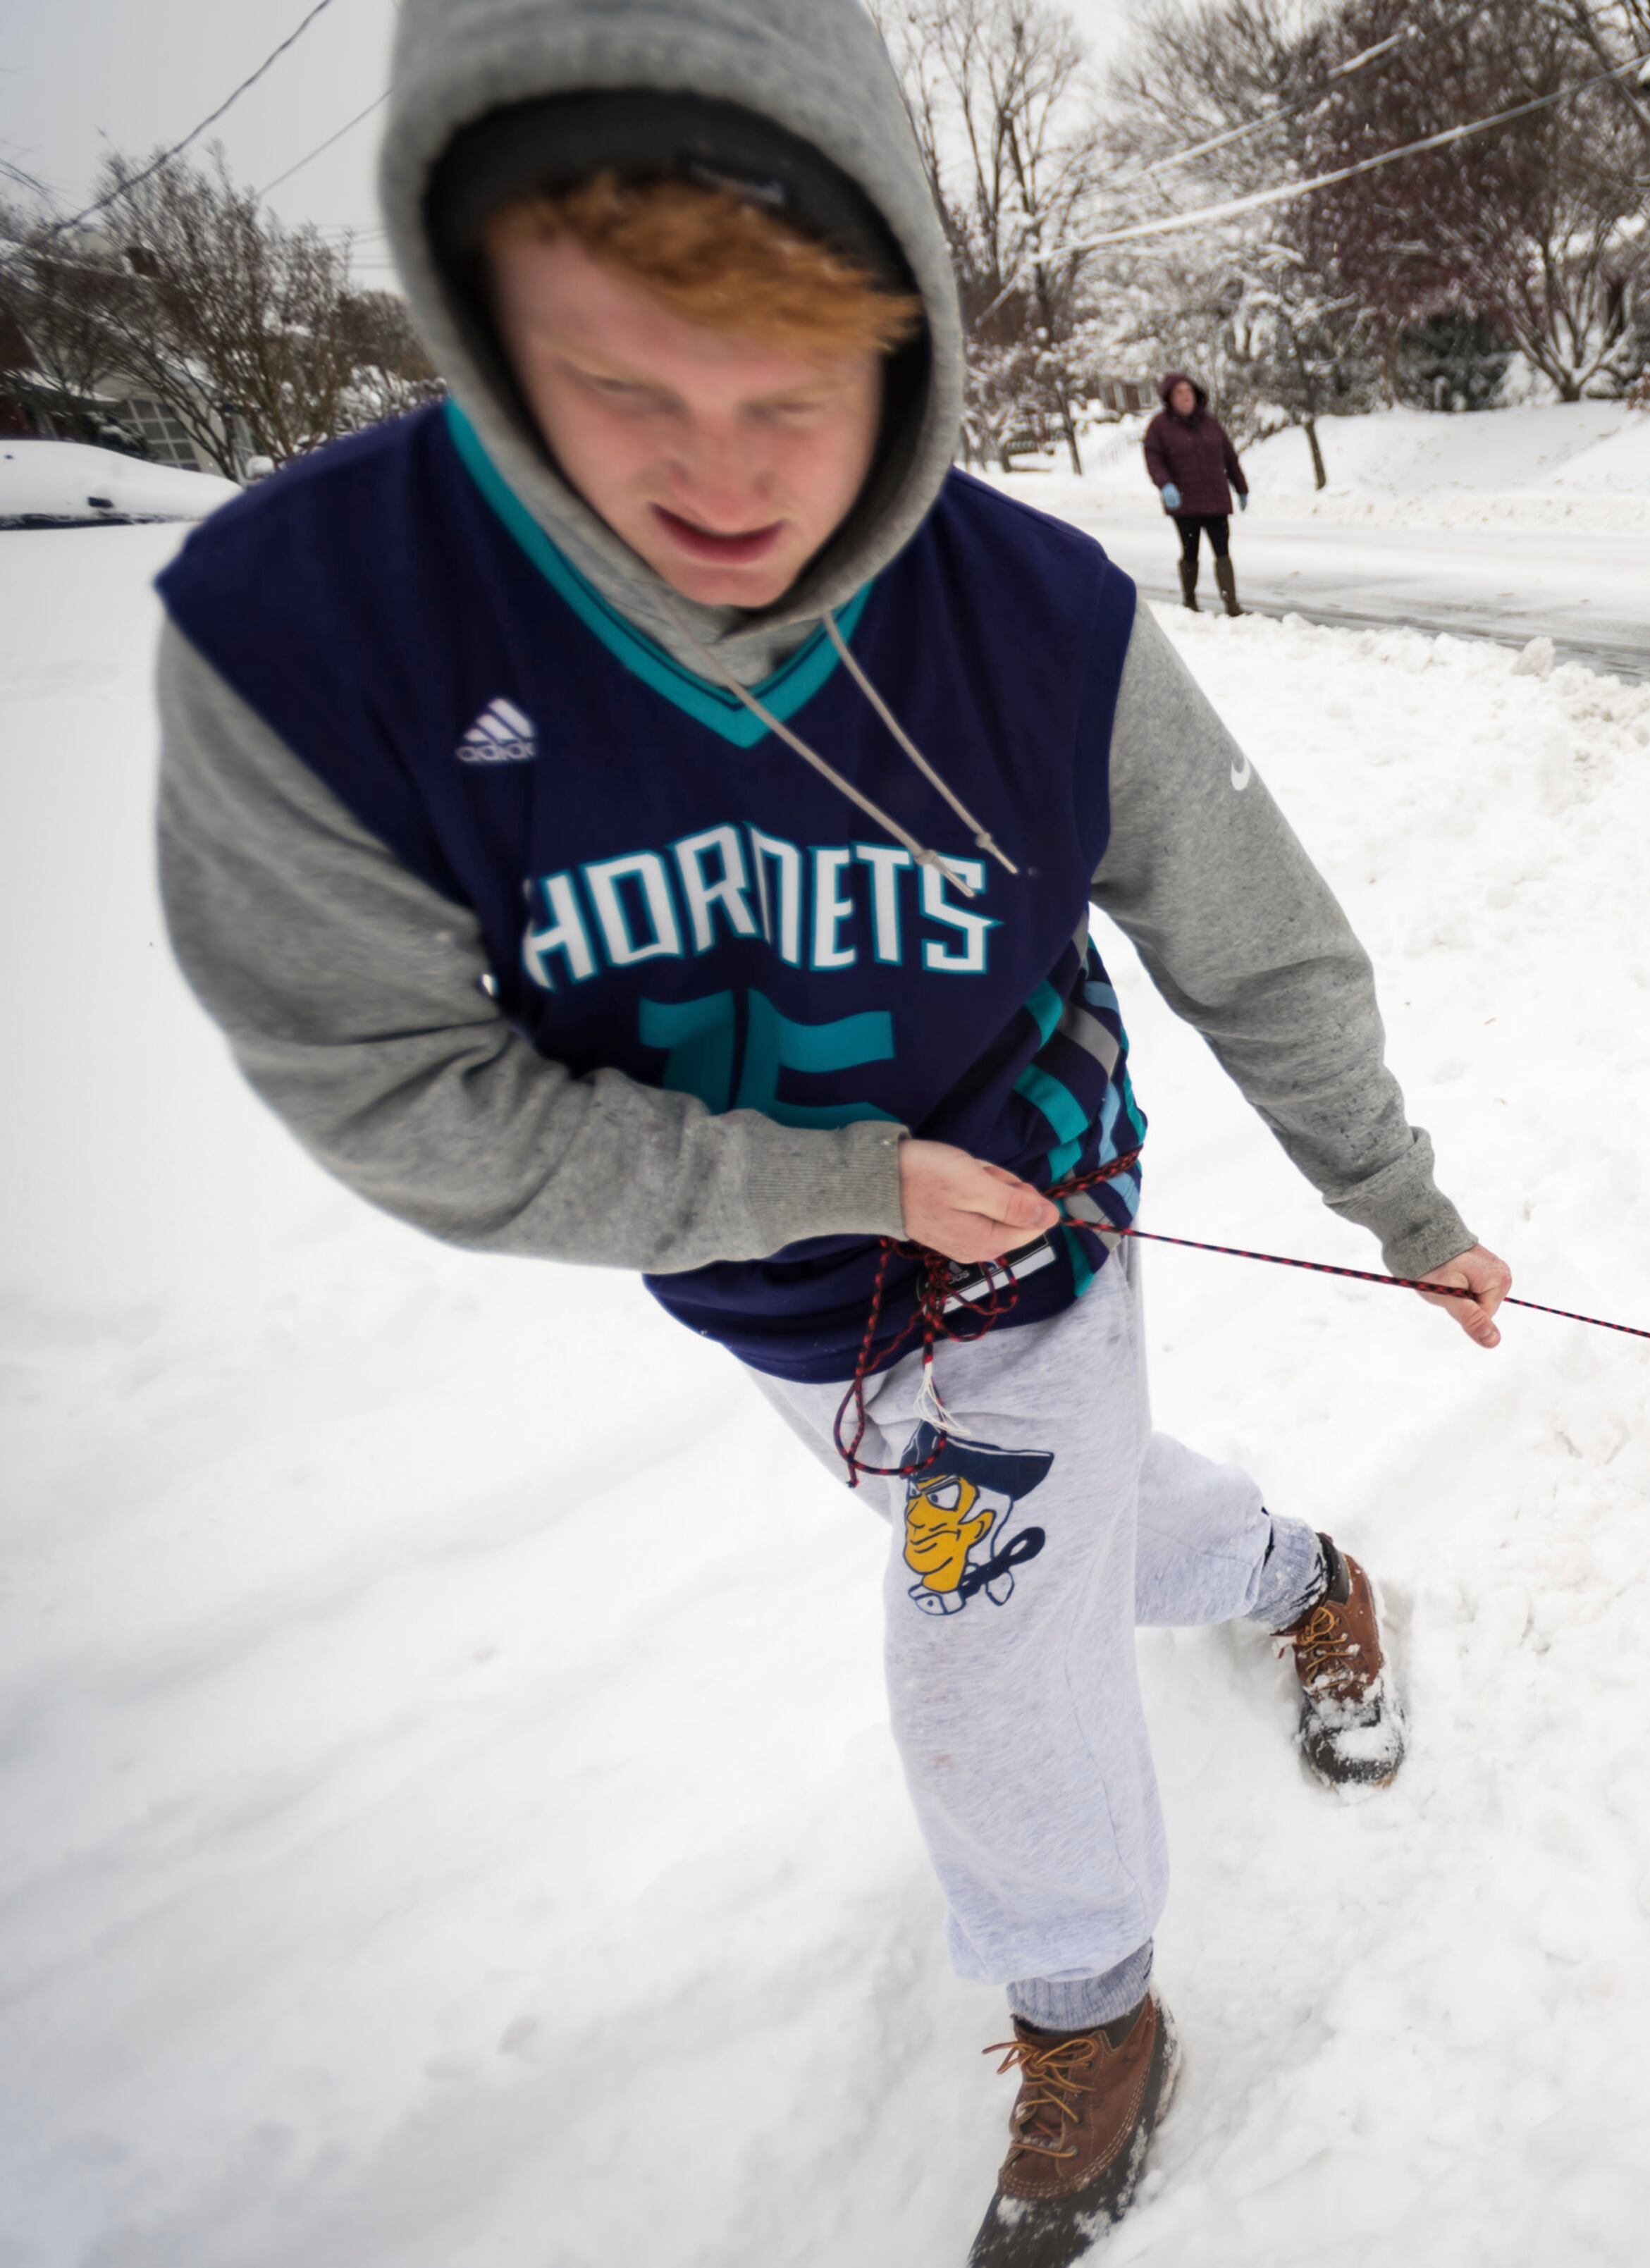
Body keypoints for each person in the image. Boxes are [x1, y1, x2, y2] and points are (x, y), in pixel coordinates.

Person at [148, 2, 1510, 2262]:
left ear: (912, 337)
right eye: (622, 388)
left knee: (976, 1620)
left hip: (1025, 1241)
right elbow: (389, 1093)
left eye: (797, 391)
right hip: (778, 1284)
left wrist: (1404, 1205)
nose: (723, 478)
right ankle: (1296, 1570)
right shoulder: (316, 642)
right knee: (1042, 1541)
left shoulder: (1039, 625)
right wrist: (826, 1184)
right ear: (482, 331)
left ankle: (1091, 2002)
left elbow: (1256, 935)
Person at [1141, 371, 1248, 617]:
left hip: (1216, 500)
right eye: (1179, 393)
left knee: (1223, 551)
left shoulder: (1210, 422)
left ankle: (1231, 604)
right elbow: (1153, 459)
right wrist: (1165, 485)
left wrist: (1241, 487)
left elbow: (1229, 457)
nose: (1185, 397)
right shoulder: (1160, 426)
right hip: (1185, 503)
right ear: (1170, 398)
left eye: (1188, 392)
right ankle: (1190, 601)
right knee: (1191, 552)